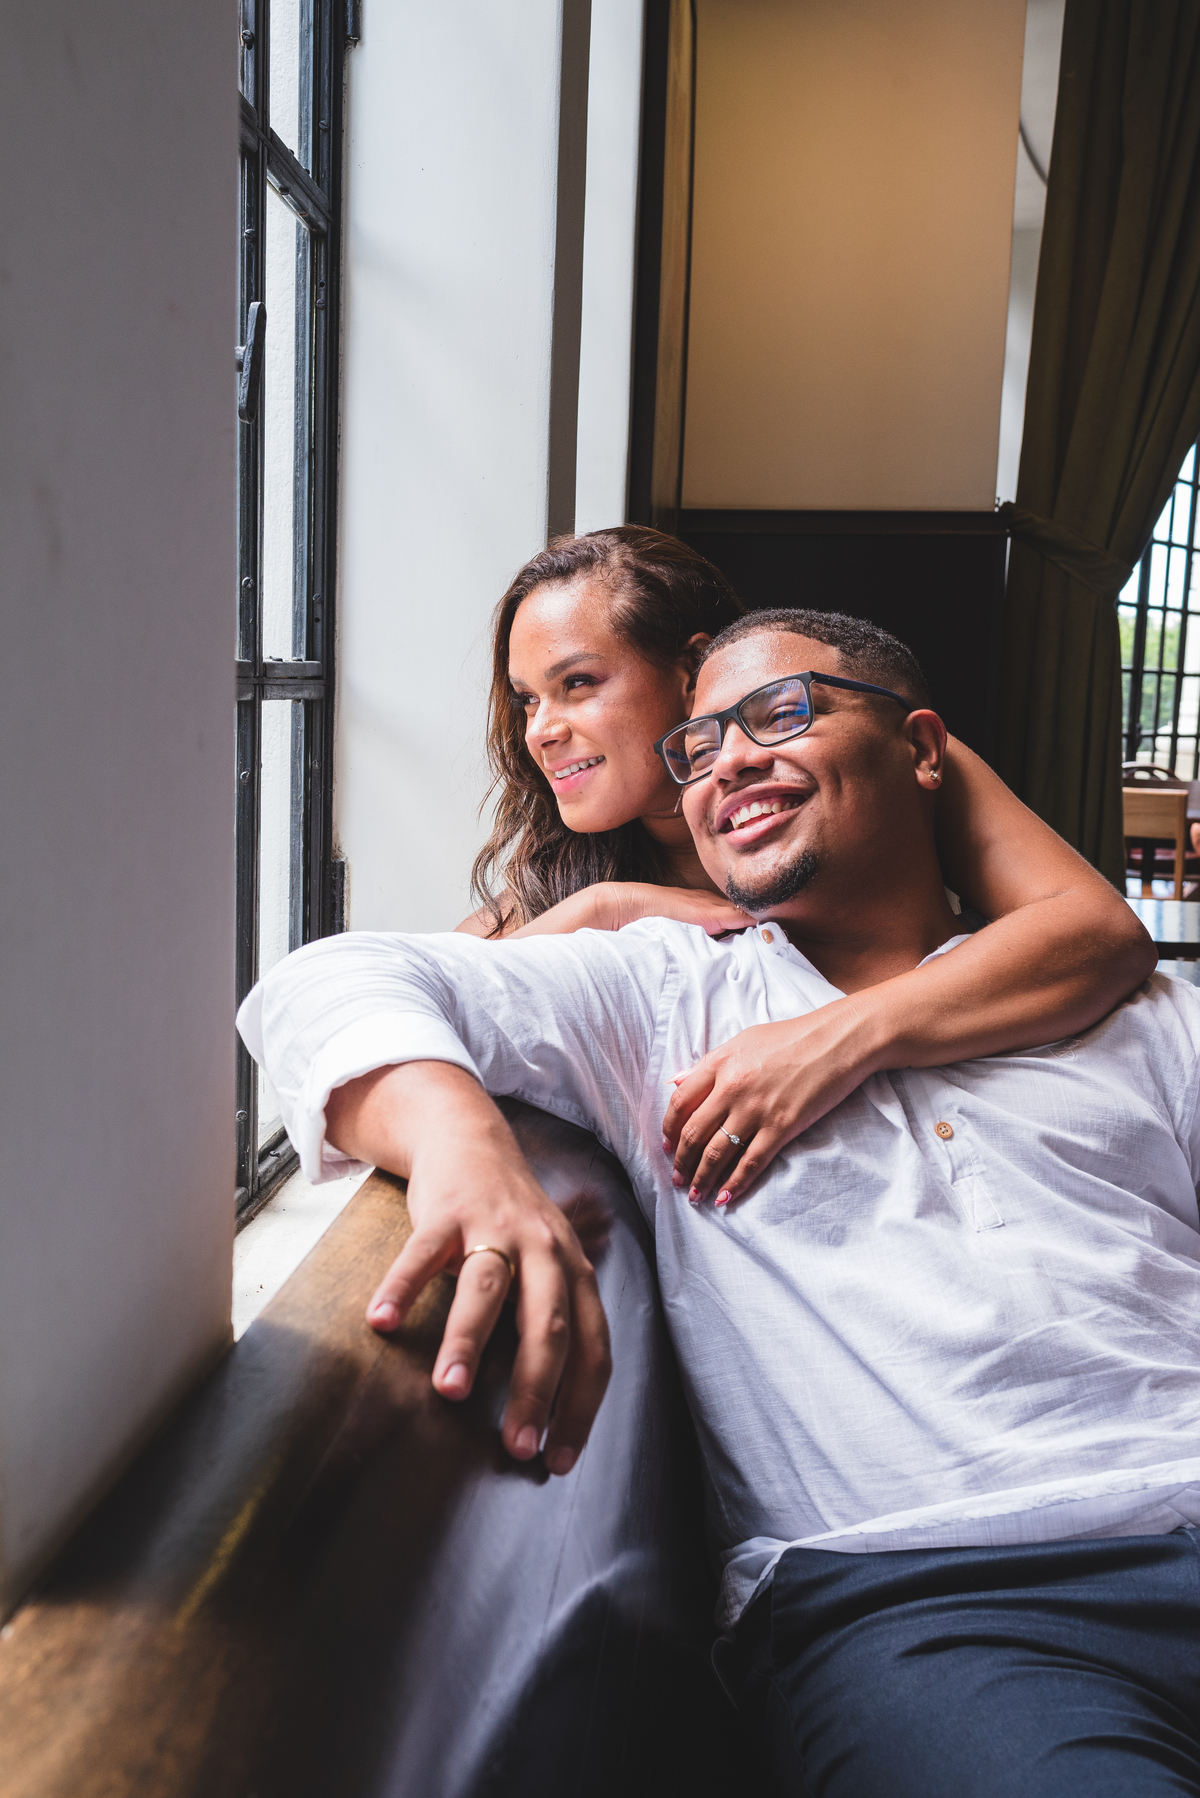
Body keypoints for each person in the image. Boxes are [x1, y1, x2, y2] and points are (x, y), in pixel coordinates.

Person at [242, 607, 1200, 1795]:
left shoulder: (1132, 1008)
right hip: (936, 1599)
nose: (728, 760)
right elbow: (323, 981)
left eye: (781, 713)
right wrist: (461, 1151)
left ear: (919, 748)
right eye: (695, 748)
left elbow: (1104, 937)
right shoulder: (661, 1002)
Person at [456, 528, 1152, 1205]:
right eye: (526, 699)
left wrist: (833, 1040)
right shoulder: (551, 889)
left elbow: (1100, 930)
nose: (541, 729)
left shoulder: (874, 757)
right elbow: (413, 1007)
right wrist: (600, 909)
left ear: (691, 672)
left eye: (577, 682)